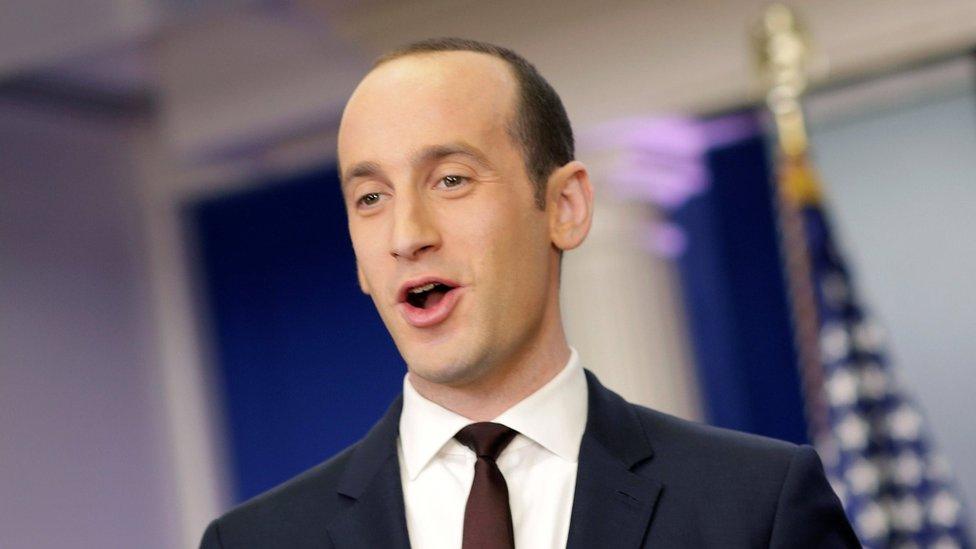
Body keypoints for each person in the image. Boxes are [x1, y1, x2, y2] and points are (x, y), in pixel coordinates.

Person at [199, 38, 859, 548]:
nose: (406, 234)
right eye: (371, 197)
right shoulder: (255, 541)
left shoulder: (754, 506)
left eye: (451, 179)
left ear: (565, 206)